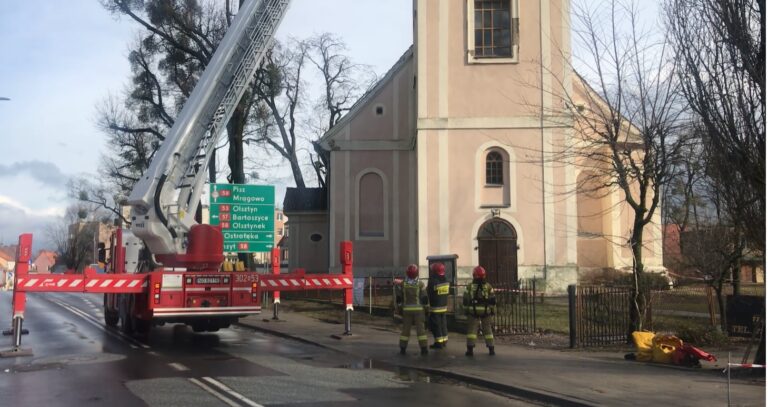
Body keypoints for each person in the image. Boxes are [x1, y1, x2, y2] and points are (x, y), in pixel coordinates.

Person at [463, 266, 496, 356]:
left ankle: (470, 350)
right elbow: (493, 300)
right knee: (488, 330)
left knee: (472, 331)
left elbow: (465, 300)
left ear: (474, 275)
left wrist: (466, 311)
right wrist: (492, 311)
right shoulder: (488, 286)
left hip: (473, 312)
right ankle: (491, 349)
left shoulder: (469, 286)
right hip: (486, 312)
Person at [396, 264, 429, 356]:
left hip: (406, 310)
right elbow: (425, 298)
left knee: (405, 330)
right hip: (419, 310)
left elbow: (399, 298)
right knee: (420, 330)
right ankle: (424, 349)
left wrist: (399, 308)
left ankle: (403, 348)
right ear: (417, 273)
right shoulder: (420, 284)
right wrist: (427, 309)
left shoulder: (403, 284)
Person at [427, 262, 450, 349]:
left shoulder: (433, 280)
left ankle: (438, 343)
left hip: (435, 308)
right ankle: (444, 340)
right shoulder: (445, 280)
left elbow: (429, 292)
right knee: (443, 324)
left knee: (436, 325)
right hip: (444, 307)